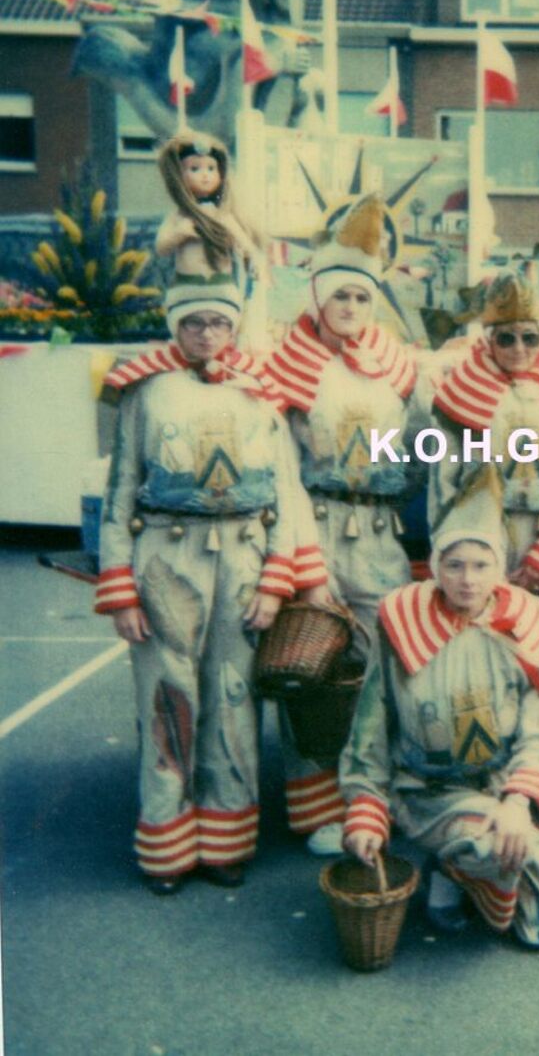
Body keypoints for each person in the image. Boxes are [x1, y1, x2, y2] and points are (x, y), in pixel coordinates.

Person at [94, 267, 306, 894]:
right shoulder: (145, 390)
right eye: (193, 322)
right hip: (167, 554)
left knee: (234, 696)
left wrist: (275, 580)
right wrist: (120, 588)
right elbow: (120, 489)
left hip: (243, 554)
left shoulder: (260, 389)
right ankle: (167, 840)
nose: (206, 334)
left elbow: (286, 491)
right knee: (167, 693)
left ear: (232, 327)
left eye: (218, 322)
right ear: (175, 325)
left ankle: (224, 838)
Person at [339, 488, 539, 949]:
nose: (467, 580)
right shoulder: (400, 621)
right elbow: (370, 726)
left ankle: (481, 874)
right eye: (455, 565)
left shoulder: (529, 624)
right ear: (435, 566)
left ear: (500, 567)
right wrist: (365, 808)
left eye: (481, 565)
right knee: (485, 847)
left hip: (504, 784)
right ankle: (453, 868)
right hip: (431, 790)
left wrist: (517, 802)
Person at [264, 194, 424, 855]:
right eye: (341, 297)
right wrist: (306, 566)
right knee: (312, 665)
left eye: (362, 297)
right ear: (318, 298)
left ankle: (372, 798)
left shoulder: (396, 365)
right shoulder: (291, 364)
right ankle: (315, 805)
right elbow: (282, 471)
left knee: (383, 663)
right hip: (319, 524)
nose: (352, 308)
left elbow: (421, 449)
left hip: (379, 531)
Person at [431, 273, 539, 599]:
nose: (519, 349)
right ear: (489, 339)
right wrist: (467, 556)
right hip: (480, 540)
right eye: (506, 339)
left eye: (529, 338)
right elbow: (443, 488)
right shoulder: (460, 394)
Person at [155, 130, 271, 352]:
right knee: (188, 325)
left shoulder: (223, 216)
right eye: (195, 169)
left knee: (221, 326)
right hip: (188, 286)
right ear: (179, 175)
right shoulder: (179, 216)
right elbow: (161, 247)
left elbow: (246, 244)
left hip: (220, 286)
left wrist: (253, 259)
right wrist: (178, 233)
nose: (205, 176)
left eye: (211, 168)